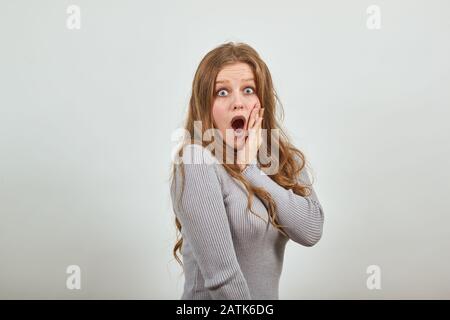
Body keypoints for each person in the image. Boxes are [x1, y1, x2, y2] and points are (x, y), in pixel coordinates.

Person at [169, 42, 324, 300]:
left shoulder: (280, 158)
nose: (238, 103)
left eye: (248, 90)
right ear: (205, 106)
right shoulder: (196, 162)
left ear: (261, 100)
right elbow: (223, 278)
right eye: (222, 92)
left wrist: (250, 169)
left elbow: (311, 231)